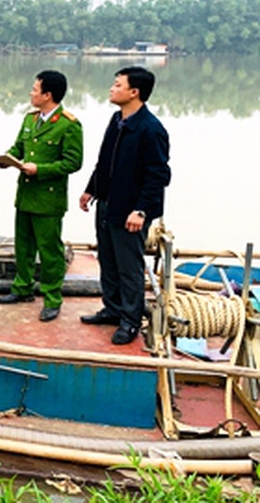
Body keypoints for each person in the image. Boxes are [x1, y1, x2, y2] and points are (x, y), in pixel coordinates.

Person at [79, 66, 171, 345]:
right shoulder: (117, 120)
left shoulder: (150, 129)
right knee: (107, 260)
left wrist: (141, 210)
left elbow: (158, 175)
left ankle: (130, 321)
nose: (112, 88)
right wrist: (91, 189)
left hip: (131, 211)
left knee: (129, 267)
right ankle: (113, 309)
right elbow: (104, 160)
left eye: (118, 84)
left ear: (135, 92)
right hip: (107, 204)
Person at [0, 70, 83, 322]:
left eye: (35, 89)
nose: (31, 93)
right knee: (23, 247)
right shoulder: (30, 120)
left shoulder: (69, 124)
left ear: (48, 95)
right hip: (25, 195)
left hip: (48, 198)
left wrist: (40, 170)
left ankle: (52, 298)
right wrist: (6, 159)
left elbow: (73, 163)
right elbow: (19, 148)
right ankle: (22, 288)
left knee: (49, 251)